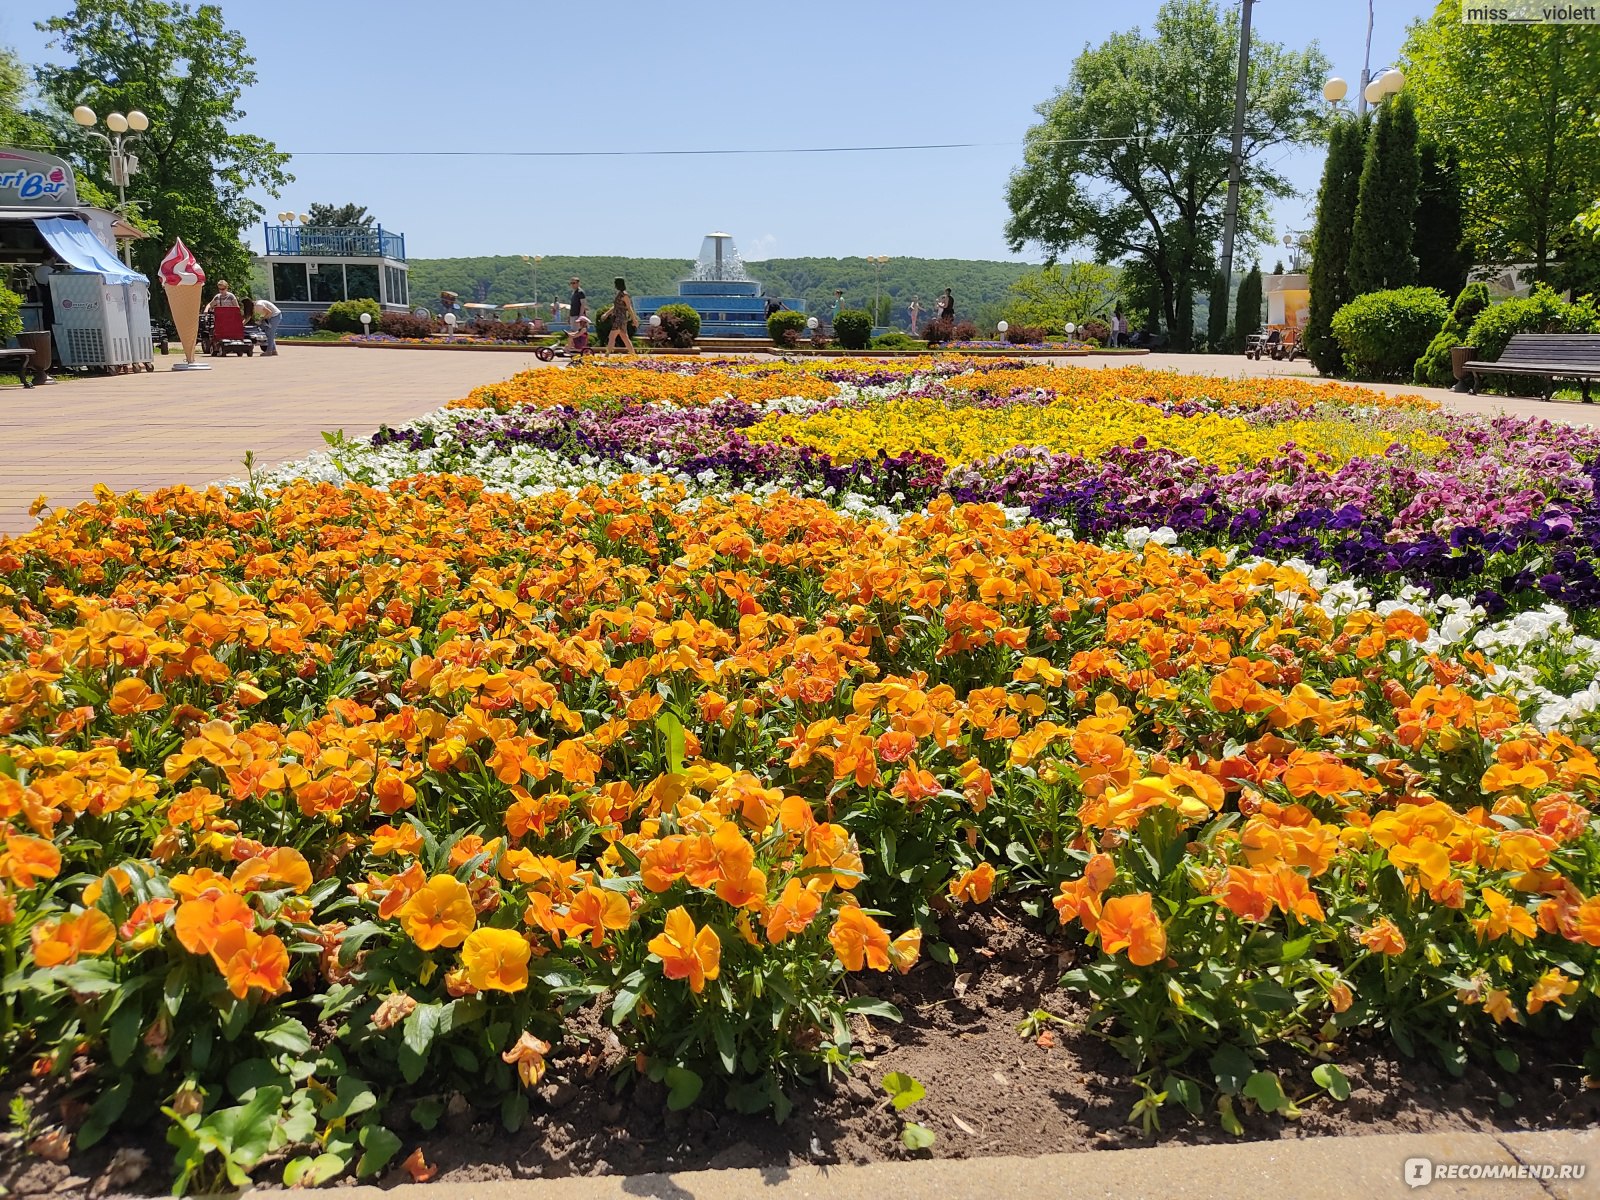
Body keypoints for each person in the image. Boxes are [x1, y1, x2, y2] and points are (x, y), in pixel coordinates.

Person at [606, 277, 636, 354]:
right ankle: (633, 354)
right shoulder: (619, 294)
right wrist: (607, 313)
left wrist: (634, 319)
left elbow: (629, 307)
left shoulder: (624, 295)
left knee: (612, 336)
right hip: (618, 317)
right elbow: (615, 306)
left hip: (620, 318)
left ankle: (607, 355)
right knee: (624, 337)